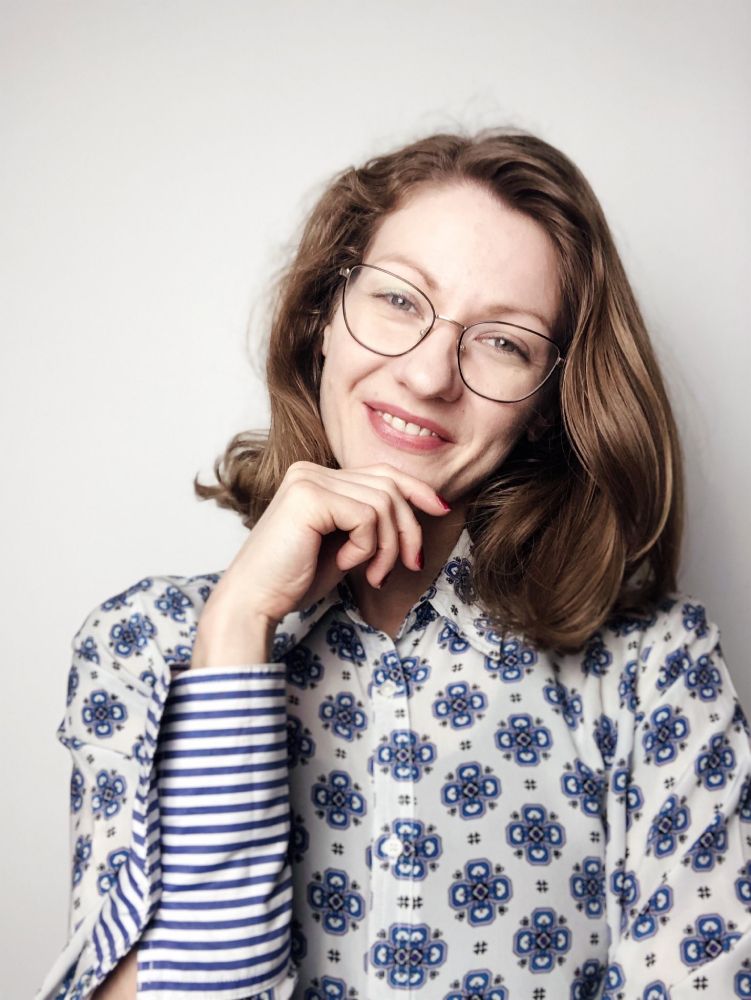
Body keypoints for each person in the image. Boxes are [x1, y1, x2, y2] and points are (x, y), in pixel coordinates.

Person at [38, 128, 751, 1000]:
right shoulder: (142, 649)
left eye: (504, 342)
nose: (426, 376)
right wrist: (234, 634)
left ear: (542, 406)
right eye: (400, 301)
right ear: (320, 321)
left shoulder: (655, 672)